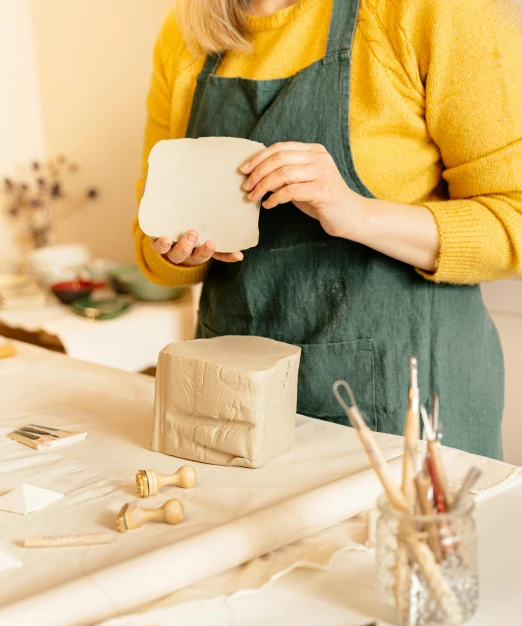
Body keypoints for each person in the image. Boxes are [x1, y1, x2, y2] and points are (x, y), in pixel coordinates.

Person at [134, 0, 522, 459]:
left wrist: (355, 214)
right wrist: (177, 250)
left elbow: (514, 219)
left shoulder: (431, 11)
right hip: (235, 411)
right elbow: (151, 246)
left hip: (402, 411)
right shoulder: (186, 34)